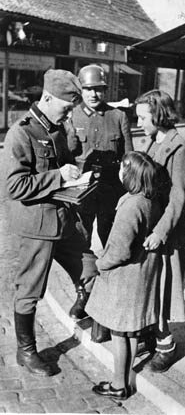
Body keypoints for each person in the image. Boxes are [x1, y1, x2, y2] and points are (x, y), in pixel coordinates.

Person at [4, 69, 98, 377]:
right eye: (66, 107)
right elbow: (14, 187)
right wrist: (59, 176)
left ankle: (84, 312)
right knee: (30, 291)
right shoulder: (21, 132)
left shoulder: (55, 128)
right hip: (35, 227)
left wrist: (78, 177)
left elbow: (63, 164)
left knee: (90, 269)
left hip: (63, 219)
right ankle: (26, 351)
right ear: (47, 98)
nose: (69, 113)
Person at [85, 151, 162, 400]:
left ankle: (118, 385)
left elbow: (119, 250)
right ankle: (125, 380)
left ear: (130, 174)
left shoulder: (131, 205)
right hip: (139, 276)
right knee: (130, 333)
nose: (119, 170)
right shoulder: (148, 198)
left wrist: (100, 263)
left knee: (119, 334)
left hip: (125, 279)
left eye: (123, 167)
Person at [135, 89, 185, 373]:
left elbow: (178, 196)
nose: (139, 123)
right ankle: (150, 333)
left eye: (143, 117)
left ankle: (166, 343)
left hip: (165, 231)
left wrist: (160, 231)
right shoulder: (154, 141)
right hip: (150, 228)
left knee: (163, 289)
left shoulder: (178, 147)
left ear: (158, 115)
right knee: (150, 284)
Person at [64, 64, 133, 249]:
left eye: (98, 89)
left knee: (111, 237)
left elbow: (129, 159)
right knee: (80, 237)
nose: (93, 94)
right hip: (81, 190)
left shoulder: (118, 116)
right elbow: (64, 156)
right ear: (81, 90)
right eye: (88, 89)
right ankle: (83, 276)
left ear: (105, 90)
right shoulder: (70, 116)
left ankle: (111, 275)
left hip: (110, 190)